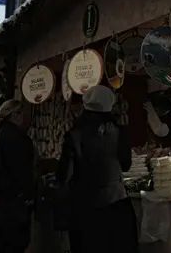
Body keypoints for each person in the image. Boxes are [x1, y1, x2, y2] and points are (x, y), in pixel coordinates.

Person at [57, 85, 137, 253]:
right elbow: (126, 165)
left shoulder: (74, 135)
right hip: (118, 206)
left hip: (86, 210)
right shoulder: (120, 132)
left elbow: (64, 176)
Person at [0, 99, 36, 253]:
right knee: (15, 244)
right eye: (22, 114)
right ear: (15, 114)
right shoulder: (18, 138)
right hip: (13, 200)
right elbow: (22, 170)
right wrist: (29, 195)